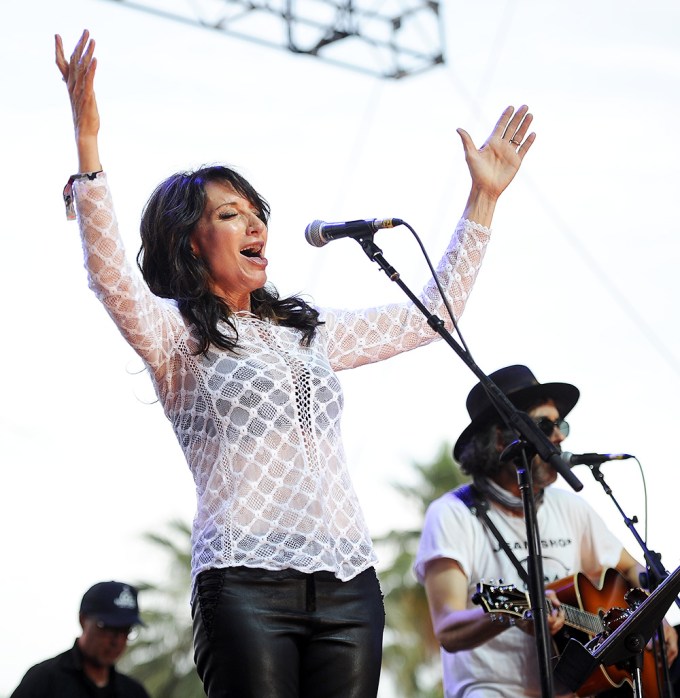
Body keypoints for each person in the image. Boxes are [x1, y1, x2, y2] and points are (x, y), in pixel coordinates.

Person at [55, 27, 536, 698]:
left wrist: (482, 200)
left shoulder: (308, 332)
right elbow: (110, 279)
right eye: (230, 215)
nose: (256, 226)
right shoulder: (175, 338)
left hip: (348, 581)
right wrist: (88, 144)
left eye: (257, 212)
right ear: (191, 245)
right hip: (244, 581)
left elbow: (435, 317)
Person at [414, 364, 679, 697]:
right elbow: (447, 628)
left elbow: (631, 568)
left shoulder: (569, 506)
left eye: (560, 424)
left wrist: (653, 620)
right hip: (493, 689)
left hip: (576, 689)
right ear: (499, 438)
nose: (560, 436)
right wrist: (511, 617)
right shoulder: (452, 514)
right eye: (544, 425)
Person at [11, 581, 148, 697]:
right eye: (108, 628)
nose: (116, 641)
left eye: (126, 631)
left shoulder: (133, 692)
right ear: (83, 620)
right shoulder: (44, 681)